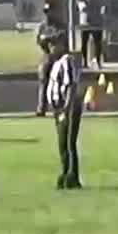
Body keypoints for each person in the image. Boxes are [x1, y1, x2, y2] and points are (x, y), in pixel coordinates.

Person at [47, 35, 85, 190]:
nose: (50, 48)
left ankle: (71, 176)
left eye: (52, 45)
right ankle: (66, 173)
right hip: (59, 108)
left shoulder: (66, 61)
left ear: (61, 45)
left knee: (68, 143)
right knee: (63, 144)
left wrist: (66, 110)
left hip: (67, 108)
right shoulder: (56, 63)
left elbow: (71, 86)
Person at [34, 9, 66, 116]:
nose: (48, 15)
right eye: (46, 13)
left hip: (58, 58)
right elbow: (39, 40)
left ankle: (58, 108)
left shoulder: (58, 25)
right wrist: (47, 40)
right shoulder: (42, 27)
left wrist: (49, 38)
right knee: (43, 81)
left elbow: (61, 37)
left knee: (57, 84)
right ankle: (41, 108)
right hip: (47, 56)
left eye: (50, 12)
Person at [77, 0, 106, 69]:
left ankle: (98, 61)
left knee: (98, 43)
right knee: (84, 43)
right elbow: (83, 9)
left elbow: (102, 7)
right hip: (85, 24)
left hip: (96, 23)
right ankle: (85, 62)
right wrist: (87, 2)